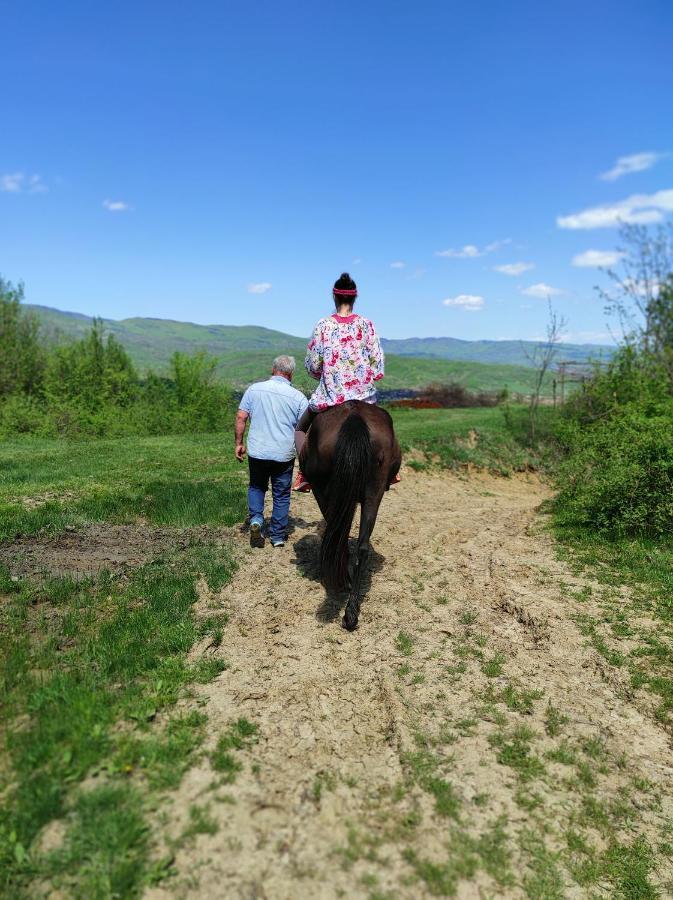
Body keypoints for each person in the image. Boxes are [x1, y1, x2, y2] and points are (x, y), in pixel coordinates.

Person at [293, 272, 400, 491]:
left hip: (330, 397)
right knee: (385, 427)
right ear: (354, 298)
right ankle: (390, 471)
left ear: (334, 297)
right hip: (364, 397)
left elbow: (313, 364)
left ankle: (304, 473)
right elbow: (378, 364)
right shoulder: (367, 325)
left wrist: (323, 374)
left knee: (300, 429)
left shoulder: (323, 325)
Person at [235, 355, 308, 548]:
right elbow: (305, 429)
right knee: (281, 494)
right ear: (291, 374)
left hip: (258, 450)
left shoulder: (254, 389)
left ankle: (257, 520)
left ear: (273, 369)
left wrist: (239, 443)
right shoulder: (298, 398)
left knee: (256, 487)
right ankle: (277, 536)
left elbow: (241, 417)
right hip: (283, 454)